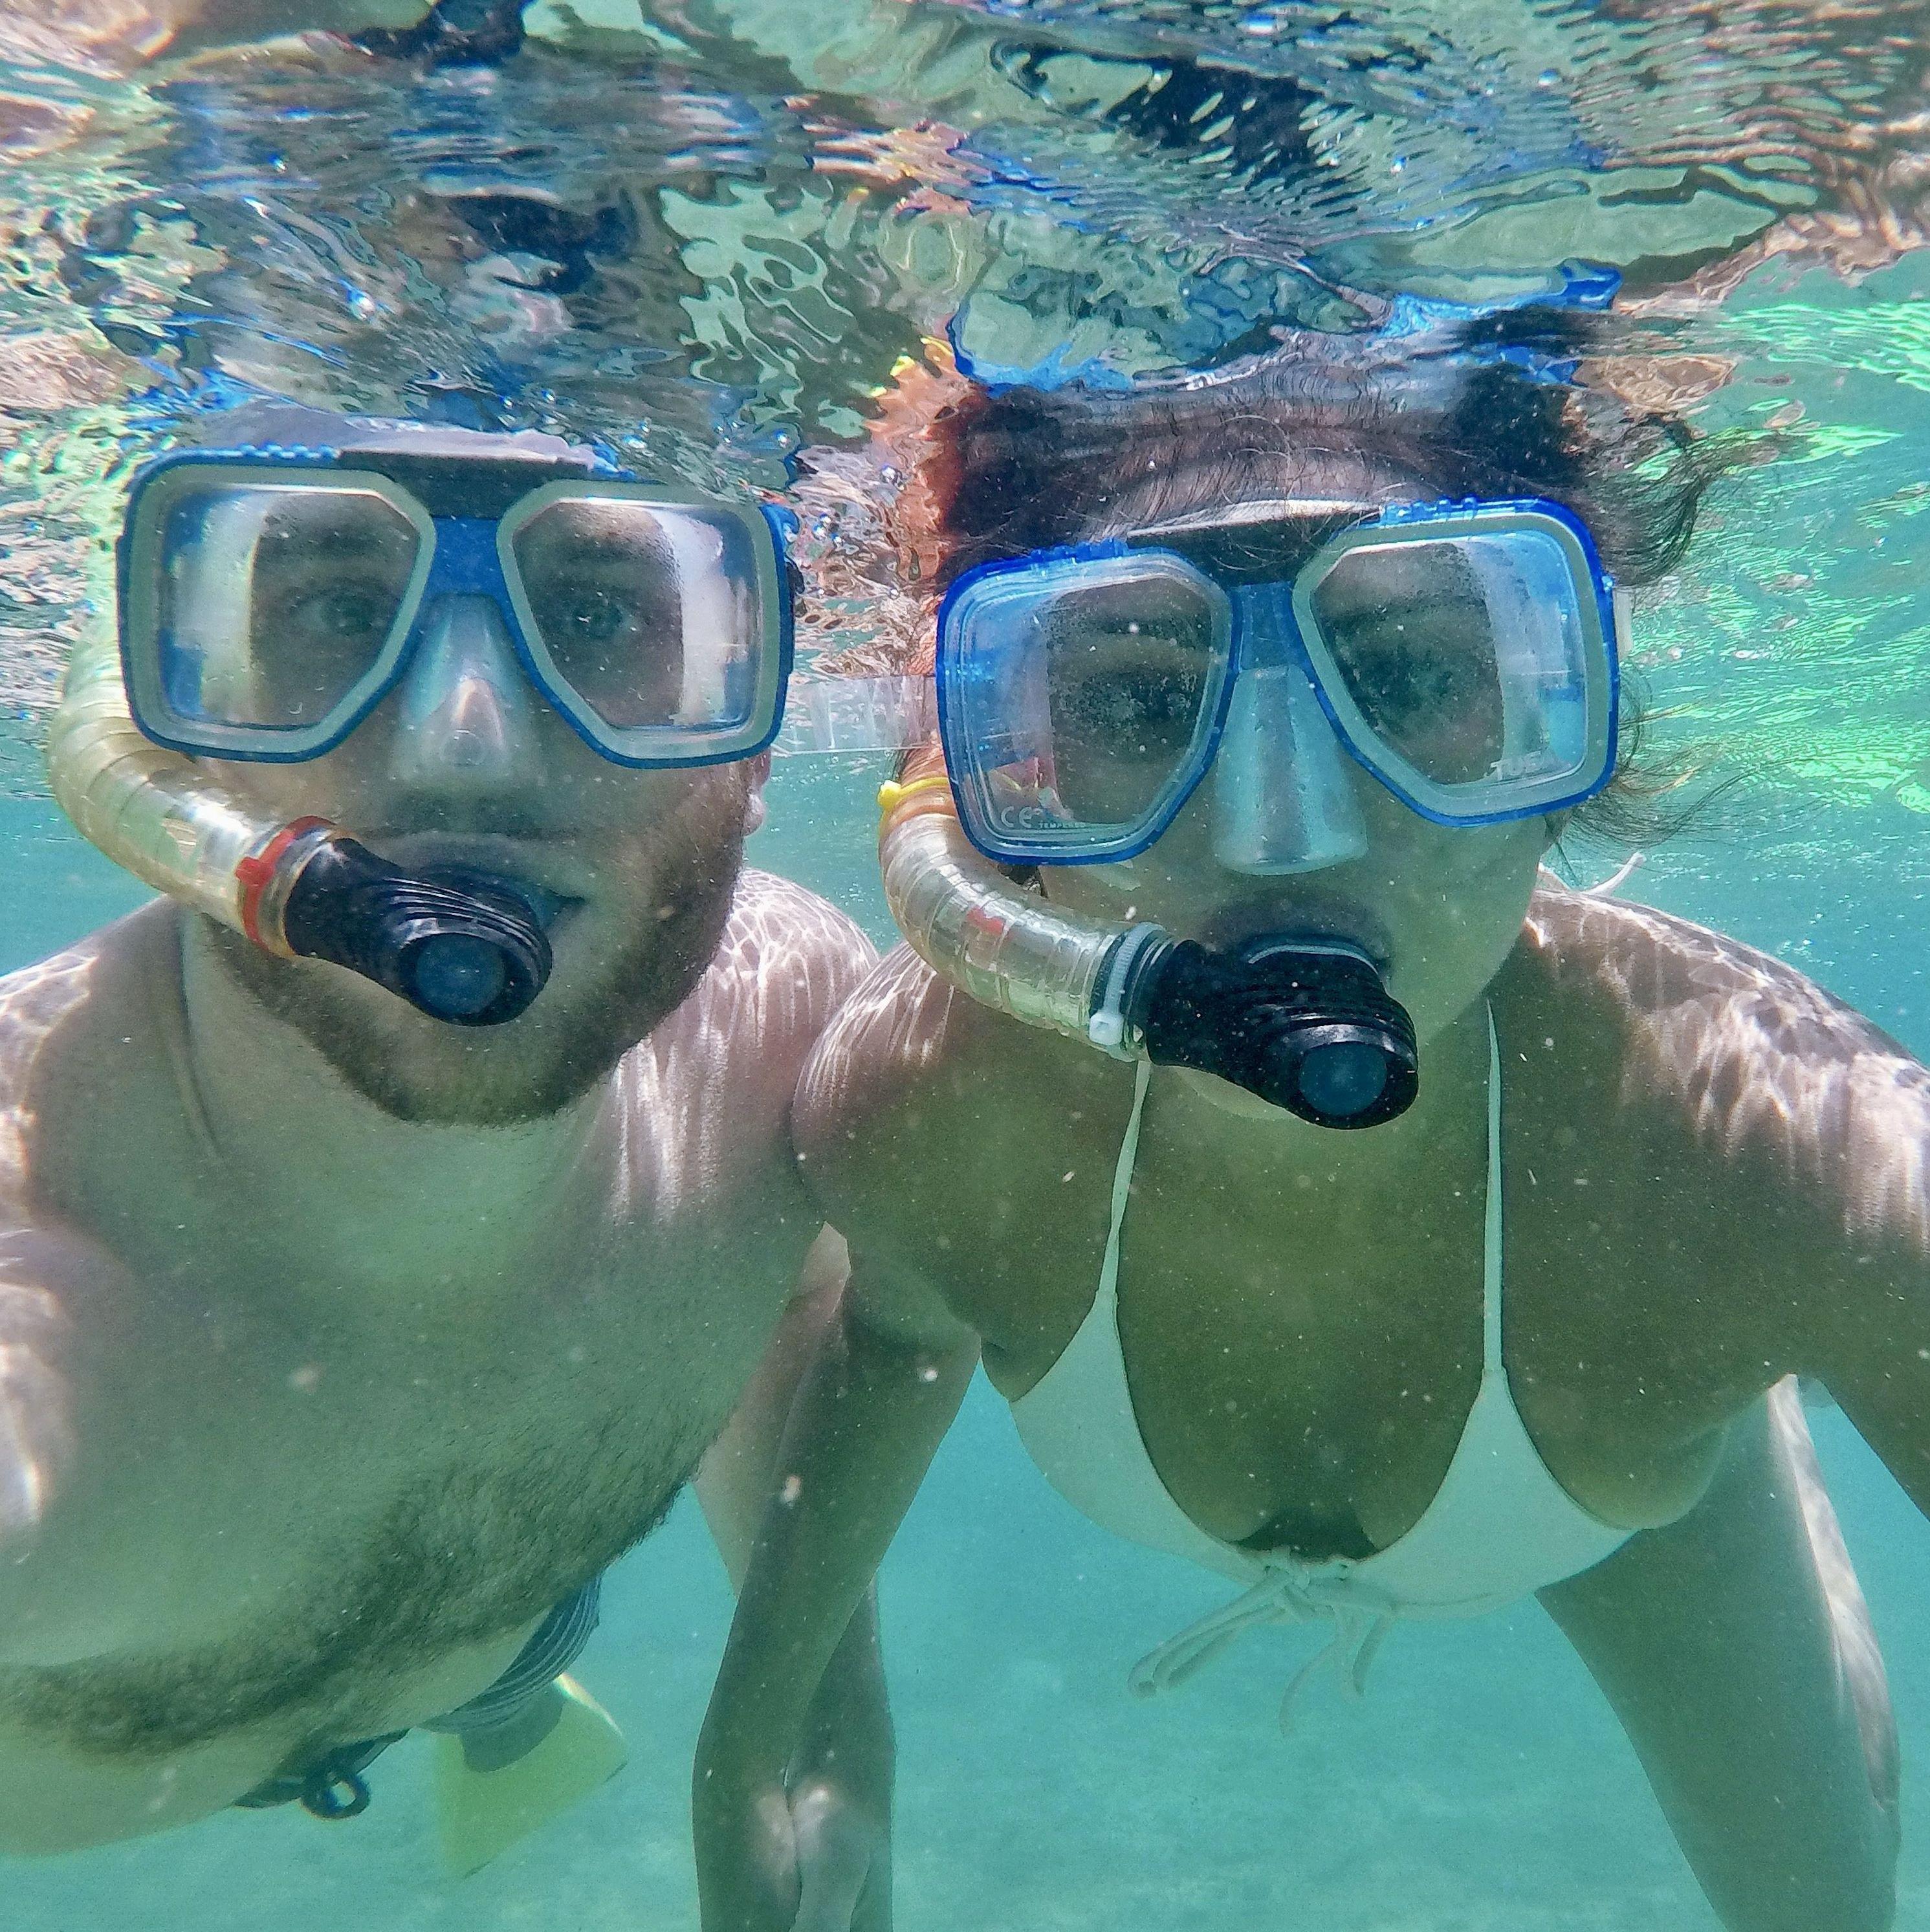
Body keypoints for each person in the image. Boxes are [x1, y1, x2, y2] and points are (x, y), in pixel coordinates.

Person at [692, 323, 1913, 1932]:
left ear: (1556, 725)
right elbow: (892, 1337)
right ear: (1006, 781)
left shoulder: (1765, 1162)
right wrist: (768, 1750)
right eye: (1141, 694)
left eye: (1404, 677)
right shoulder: (934, 1105)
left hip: (1632, 1485)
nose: (1287, 828)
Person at [0, 407, 888, 1898]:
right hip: (349, 1662)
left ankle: (506, 1700)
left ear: (751, 745)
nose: (464, 747)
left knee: (498, 1643)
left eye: (599, 613)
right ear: (168, 757)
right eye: (339, 610)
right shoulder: (39, 1302)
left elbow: (799, 1297)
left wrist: (817, 1734)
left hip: (503, 1614)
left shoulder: (787, 1023)